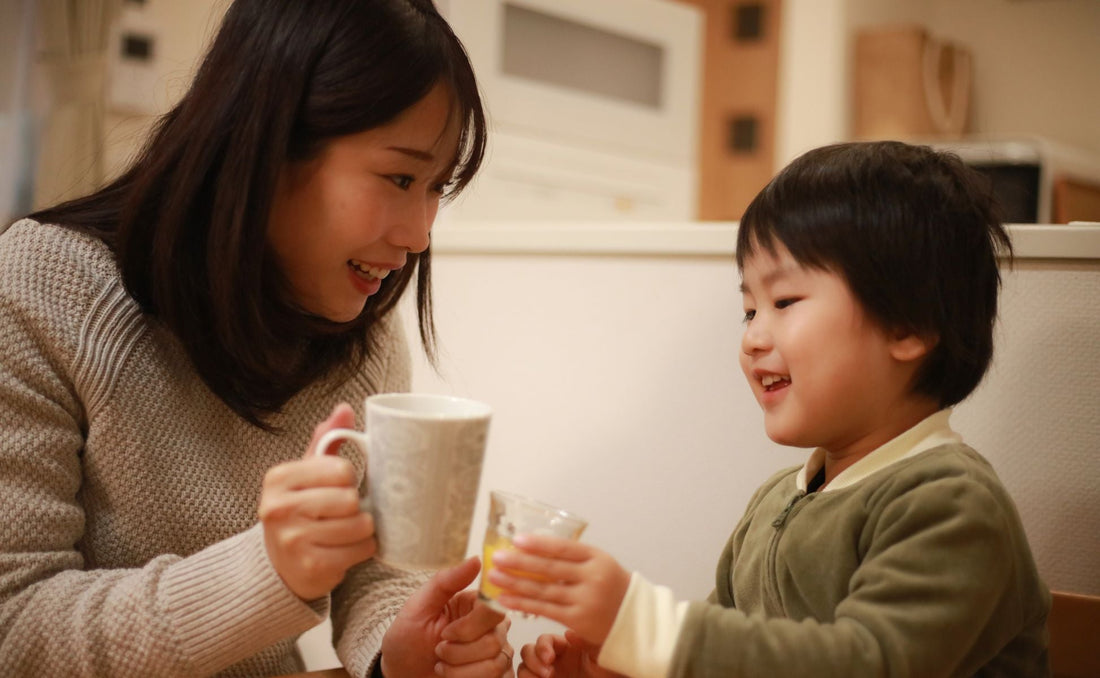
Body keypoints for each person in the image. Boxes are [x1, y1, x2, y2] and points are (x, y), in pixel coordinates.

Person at [0, 1, 514, 676]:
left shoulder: (363, 334)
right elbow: (14, 626)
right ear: (270, 143)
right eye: (399, 178)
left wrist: (401, 648)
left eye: (436, 187)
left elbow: (376, 571)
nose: (419, 235)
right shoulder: (45, 286)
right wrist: (261, 573)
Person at [488, 141, 1051, 678]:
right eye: (750, 310)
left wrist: (642, 625)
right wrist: (627, 665)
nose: (753, 337)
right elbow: (730, 657)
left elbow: (867, 664)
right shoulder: (776, 501)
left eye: (783, 301)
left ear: (908, 325)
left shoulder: (950, 503)